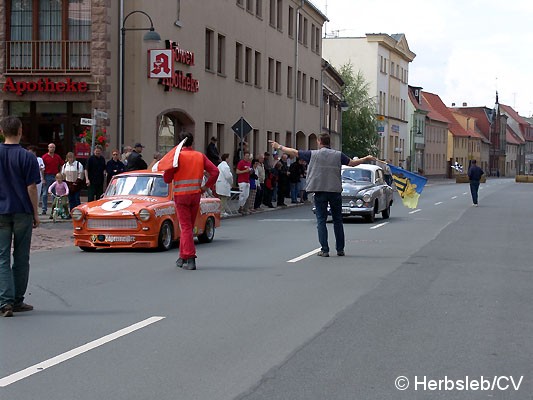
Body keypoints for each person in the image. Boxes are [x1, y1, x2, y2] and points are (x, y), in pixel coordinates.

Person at [270, 133, 375, 257]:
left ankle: (325, 250)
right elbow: (352, 163)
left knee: (321, 220)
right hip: (335, 191)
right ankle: (340, 249)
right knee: (337, 221)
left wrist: (279, 146)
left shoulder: (313, 154)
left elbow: (294, 152)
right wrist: (366, 158)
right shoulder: (338, 155)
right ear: (329, 142)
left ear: (319, 142)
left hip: (319, 190)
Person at [0, 116, 40, 317]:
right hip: (22, 210)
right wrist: (36, 213)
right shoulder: (28, 156)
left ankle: (4, 302)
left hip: (1, 212)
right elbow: (32, 187)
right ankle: (17, 300)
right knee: (21, 256)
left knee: (2, 257)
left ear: (2, 131)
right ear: (20, 131)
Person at [163, 132, 219, 270]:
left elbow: (166, 179)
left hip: (181, 195)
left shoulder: (177, 157)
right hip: (195, 194)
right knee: (188, 226)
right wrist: (205, 187)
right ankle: (182, 257)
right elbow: (215, 171)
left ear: (179, 142)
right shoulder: (199, 156)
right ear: (192, 142)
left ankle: (190, 257)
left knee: (185, 227)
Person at [41, 142, 64, 215]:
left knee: (55, 193)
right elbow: (42, 169)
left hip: (56, 176)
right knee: (45, 193)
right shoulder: (44, 157)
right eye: (50, 147)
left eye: (53, 147)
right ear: (48, 148)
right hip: (47, 176)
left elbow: (62, 164)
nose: (52, 149)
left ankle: (54, 209)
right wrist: (43, 178)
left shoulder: (57, 157)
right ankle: (44, 209)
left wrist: (60, 173)